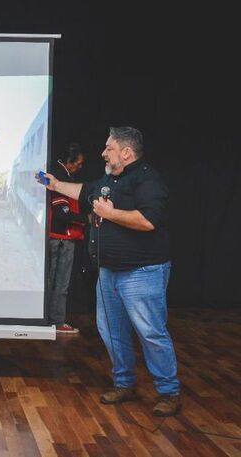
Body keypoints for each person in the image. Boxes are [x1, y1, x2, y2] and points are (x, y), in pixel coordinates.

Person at [37, 126, 181, 417]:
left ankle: (169, 392)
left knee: (150, 332)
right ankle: (124, 384)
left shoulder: (148, 181)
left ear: (126, 152)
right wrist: (55, 184)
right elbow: (85, 191)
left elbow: (148, 221)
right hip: (109, 273)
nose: (103, 152)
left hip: (142, 273)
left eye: (109, 148)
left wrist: (109, 214)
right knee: (111, 331)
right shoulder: (109, 179)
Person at [46, 142, 86, 334]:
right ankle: (57, 322)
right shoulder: (61, 179)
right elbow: (62, 213)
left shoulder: (60, 175)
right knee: (60, 283)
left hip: (57, 237)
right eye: (78, 163)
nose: (80, 167)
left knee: (52, 281)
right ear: (68, 162)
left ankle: (49, 320)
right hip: (61, 238)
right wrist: (85, 219)